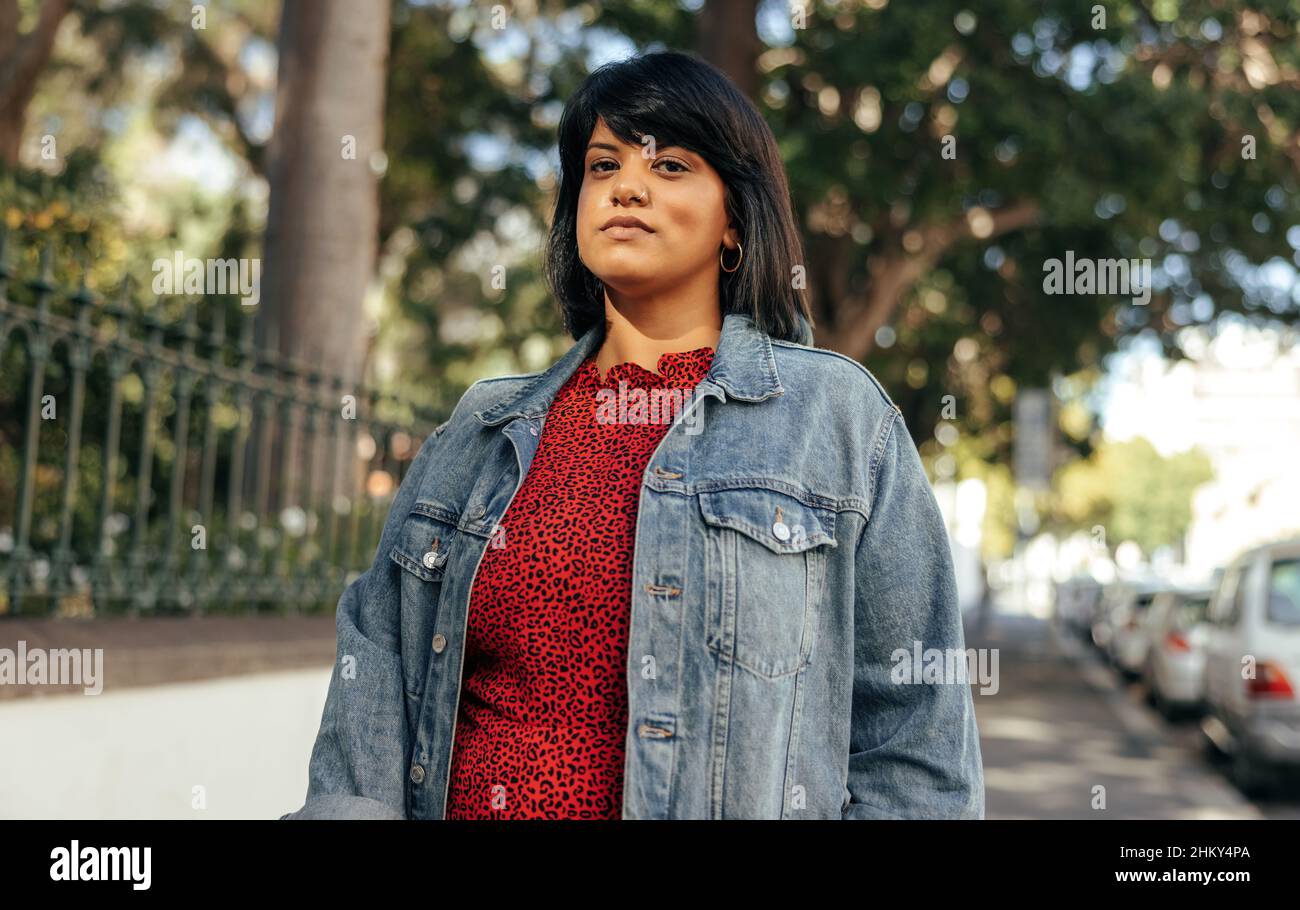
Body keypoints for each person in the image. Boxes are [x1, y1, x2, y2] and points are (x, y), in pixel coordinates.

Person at [283, 49, 983, 820]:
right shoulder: (480, 430)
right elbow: (374, 679)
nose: (627, 184)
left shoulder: (837, 421)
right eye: (602, 163)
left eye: (671, 165)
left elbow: (916, 753)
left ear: (735, 224)